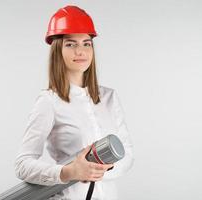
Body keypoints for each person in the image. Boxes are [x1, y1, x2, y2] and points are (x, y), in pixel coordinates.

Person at [14, 5, 134, 200]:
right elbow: (23, 165)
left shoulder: (109, 97)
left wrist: (102, 169)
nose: (81, 51)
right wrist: (69, 172)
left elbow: (127, 154)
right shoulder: (49, 101)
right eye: (71, 44)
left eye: (86, 43)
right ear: (58, 50)